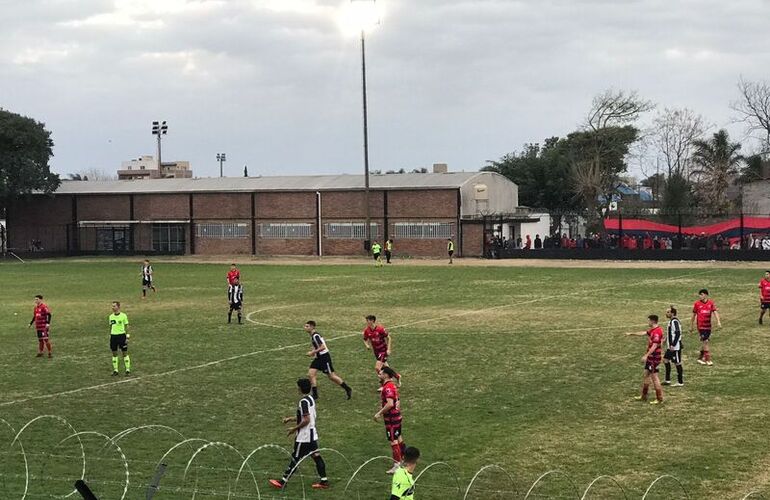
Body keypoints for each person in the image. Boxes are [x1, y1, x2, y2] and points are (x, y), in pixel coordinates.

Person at [268, 378, 329, 490]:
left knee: (295, 458)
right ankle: (324, 481)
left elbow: (306, 420)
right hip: (312, 434)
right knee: (316, 456)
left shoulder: (303, 402)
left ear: (300, 389)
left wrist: (294, 429)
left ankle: (282, 482)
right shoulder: (311, 399)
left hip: (304, 437)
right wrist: (290, 419)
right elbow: (307, 416)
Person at [305, 321, 352, 400]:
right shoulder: (313, 336)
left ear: (312, 327)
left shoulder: (315, 336)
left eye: (307, 326)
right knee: (311, 374)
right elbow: (317, 346)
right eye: (305, 326)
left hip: (324, 358)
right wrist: (313, 352)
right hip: (318, 358)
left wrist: (312, 352)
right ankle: (315, 395)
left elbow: (322, 347)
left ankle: (347, 389)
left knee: (331, 376)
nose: (305, 328)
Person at [625, 315, 664, 405]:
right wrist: (632, 334)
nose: (648, 322)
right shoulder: (653, 330)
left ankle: (659, 398)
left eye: (649, 321)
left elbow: (654, 346)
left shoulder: (657, 332)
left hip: (654, 358)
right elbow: (644, 333)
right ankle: (644, 395)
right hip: (651, 358)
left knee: (655, 378)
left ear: (653, 321)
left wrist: (646, 355)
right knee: (646, 374)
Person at [374, 367, 407, 473]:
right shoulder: (392, 385)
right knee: (399, 437)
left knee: (393, 440)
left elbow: (390, 404)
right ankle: (405, 459)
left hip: (391, 418)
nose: (379, 375)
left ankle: (397, 465)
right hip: (397, 416)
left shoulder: (388, 387)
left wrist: (379, 413)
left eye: (380, 374)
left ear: (386, 375)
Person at [363, 315, 401, 384]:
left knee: (377, 368)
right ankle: (397, 376)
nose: (367, 322)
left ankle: (384, 383)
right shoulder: (367, 330)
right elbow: (365, 339)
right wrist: (367, 345)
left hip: (383, 351)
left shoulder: (380, 329)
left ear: (372, 321)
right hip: (376, 352)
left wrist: (388, 349)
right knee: (386, 368)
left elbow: (389, 338)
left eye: (368, 320)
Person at [691, 289, 721, 366]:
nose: (700, 296)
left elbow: (715, 312)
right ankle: (708, 359)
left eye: (701, 294)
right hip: (701, 326)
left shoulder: (710, 303)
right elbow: (693, 315)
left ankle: (700, 358)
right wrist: (691, 325)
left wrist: (718, 321)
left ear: (706, 295)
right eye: (699, 295)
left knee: (705, 342)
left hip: (708, 326)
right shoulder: (697, 304)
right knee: (705, 341)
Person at [663, 306, 684, 386]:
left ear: (672, 313)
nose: (666, 313)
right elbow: (671, 333)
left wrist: (673, 345)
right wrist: (665, 339)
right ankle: (667, 380)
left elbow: (678, 333)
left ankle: (680, 382)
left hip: (675, 347)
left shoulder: (674, 321)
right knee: (665, 360)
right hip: (671, 346)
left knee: (677, 363)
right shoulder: (671, 321)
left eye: (668, 312)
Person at [109, 301, 131, 376]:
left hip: (121, 336)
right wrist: (110, 335)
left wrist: (127, 336)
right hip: (113, 336)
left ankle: (127, 370)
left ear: (118, 307)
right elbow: (111, 326)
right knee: (114, 353)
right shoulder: (111, 316)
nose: (112, 307)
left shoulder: (123, 316)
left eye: (114, 306)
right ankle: (115, 370)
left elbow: (127, 326)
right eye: (112, 306)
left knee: (124, 353)